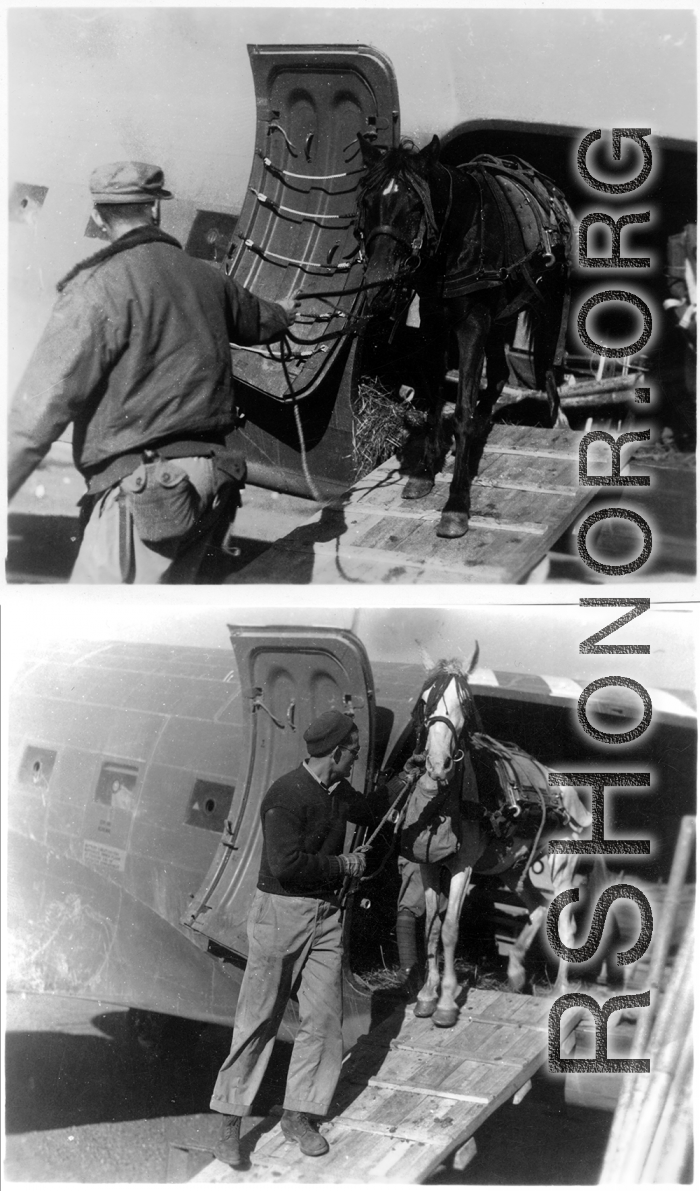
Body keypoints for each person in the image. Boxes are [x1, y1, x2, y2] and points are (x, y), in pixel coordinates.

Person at [8, 160, 299, 583]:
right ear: (157, 210)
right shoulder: (208, 278)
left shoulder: (96, 289)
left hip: (147, 489)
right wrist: (286, 312)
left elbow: (36, 416)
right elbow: (259, 318)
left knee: (94, 622)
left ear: (97, 215)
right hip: (210, 483)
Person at [210, 710, 381, 1166]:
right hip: (280, 915)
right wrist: (343, 865)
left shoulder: (340, 793)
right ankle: (229, 1121)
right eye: (355, 752)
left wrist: (415, 779)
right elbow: (285, 863)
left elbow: (374, 808)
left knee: (324, 1020)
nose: (357, 759)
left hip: (327, 918)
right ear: (337, 752)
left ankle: (297, 1115)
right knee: (260, 1018)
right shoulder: (285, 795)